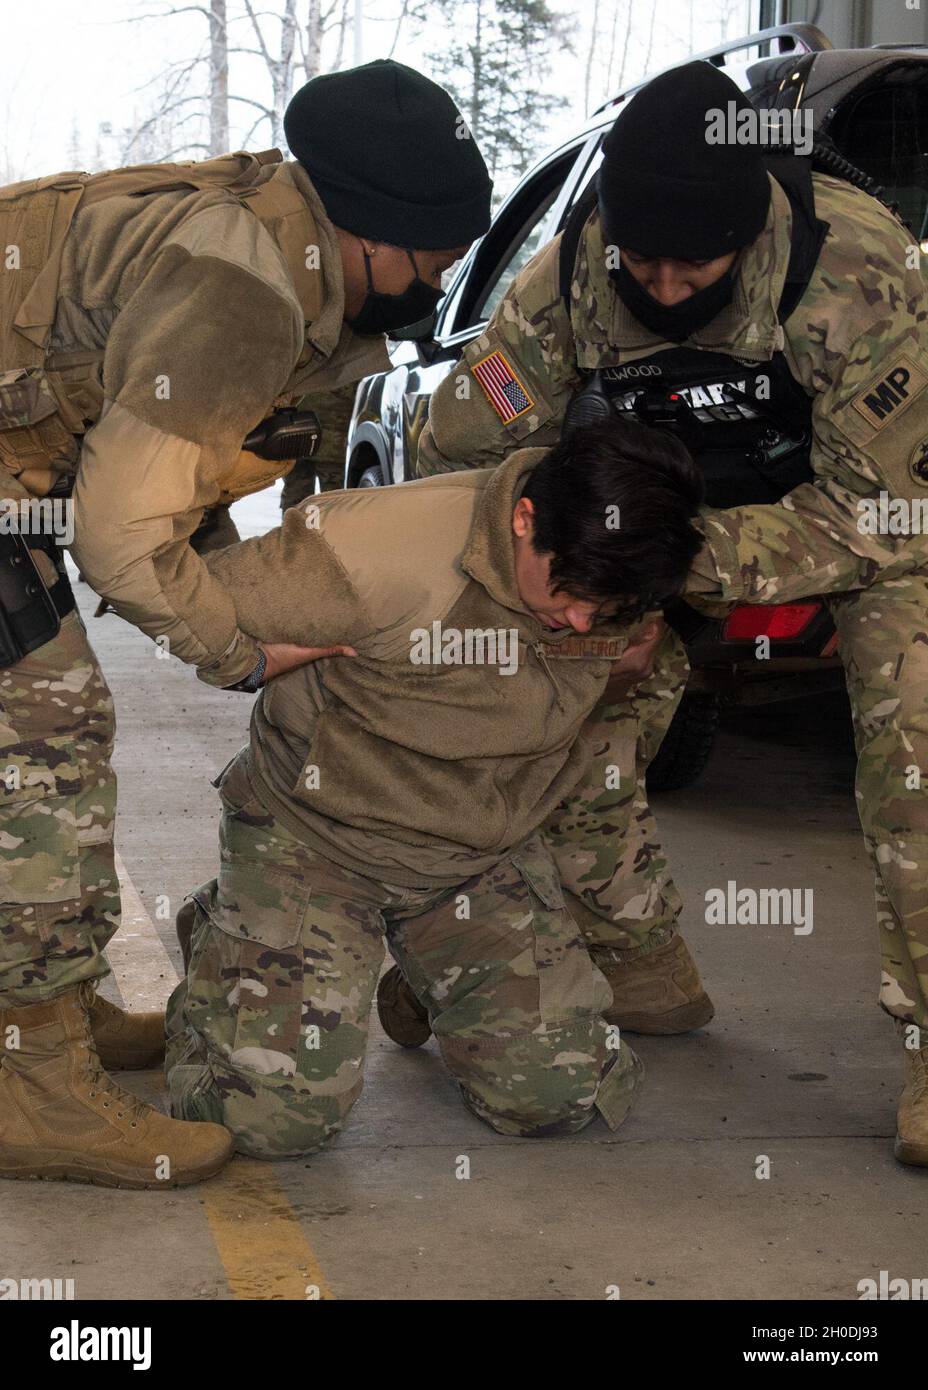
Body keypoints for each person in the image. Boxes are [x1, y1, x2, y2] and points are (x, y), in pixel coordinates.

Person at [415, 59, 928, 1166]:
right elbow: (459, 453)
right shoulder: (564, 286)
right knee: (543, 709)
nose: (662, 279)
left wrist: (678, 564)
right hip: (647, 523)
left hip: (859, 521)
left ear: (748, 236)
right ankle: (607, 957)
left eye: (693, 261)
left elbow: (887, 512)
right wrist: (563, 564)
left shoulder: (857, 276)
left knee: (918, 755)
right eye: (639, 256)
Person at [0, 58, 492, 1188]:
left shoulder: (298, 253)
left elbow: (190, 487)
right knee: (45, 738)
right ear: (369, 234)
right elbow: (121, 531)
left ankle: (53, 1013)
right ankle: (32, 1086)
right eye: (438, 254)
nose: (447, 273)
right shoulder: (245, 287)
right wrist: (236, 648)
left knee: (50, 735)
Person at [164, 420, 703, 1156]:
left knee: (561, 1096)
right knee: (269, 1122)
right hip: (319, 842)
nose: (581, 621)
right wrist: (252, 660)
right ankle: (226, 931)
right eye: (572, 594)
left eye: (604, 612)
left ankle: (425, 977)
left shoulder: (628, 561)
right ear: (524, 519)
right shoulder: (369, 552)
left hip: (478, 853)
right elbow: (185, 608)